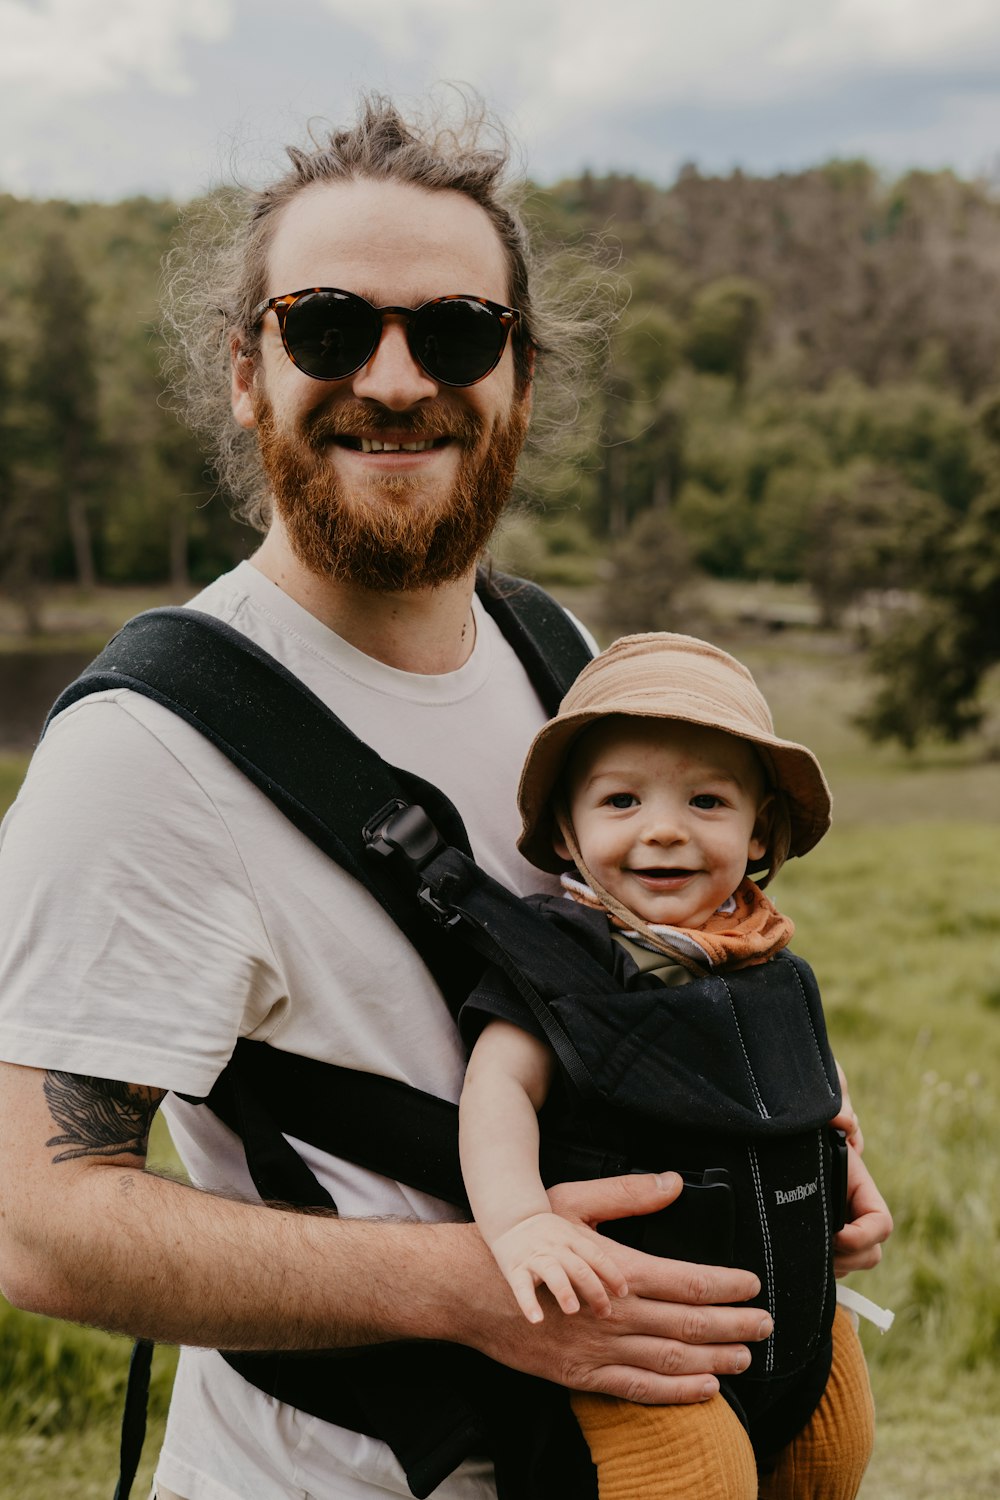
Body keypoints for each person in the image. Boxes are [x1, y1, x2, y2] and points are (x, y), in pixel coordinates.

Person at [0, 94, 890, 1500]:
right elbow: (38, 1226)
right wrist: (466, 1281)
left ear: (520, 375)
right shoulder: (146, 753)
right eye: (330, 328)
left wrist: (787, 1162)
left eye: (458, 332)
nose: (400, 379)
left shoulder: (564, 659)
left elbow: (646, 979)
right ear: (248, 370)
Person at [459, 631, 880, 1499]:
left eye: (706, 801)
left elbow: (810, 1084)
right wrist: (518, 1224)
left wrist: (847, 1163)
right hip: (641, 1313)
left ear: (758, 830)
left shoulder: (766, 961)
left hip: (795, 1296)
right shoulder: (567, 968)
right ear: (565, 836)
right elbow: (497, 1087)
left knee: (832, 1454)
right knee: (695, 1478)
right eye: (620, 800)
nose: (663, 830)